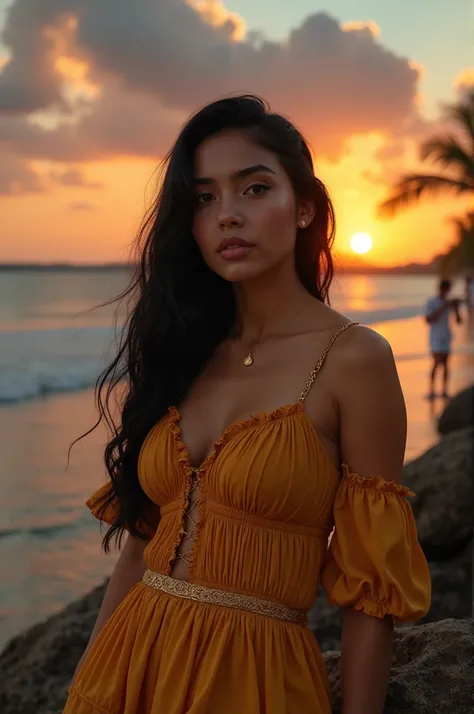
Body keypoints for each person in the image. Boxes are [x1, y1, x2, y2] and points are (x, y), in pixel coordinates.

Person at [64, 95, 430, 714]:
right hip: (126, 670)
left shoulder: (354, 359)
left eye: (254, 189)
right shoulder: (183, 350)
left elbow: (372, 598)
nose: (228, 216)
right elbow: (138, 549)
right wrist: (86, 693)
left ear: (305, 207)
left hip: (253, 681)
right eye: (204, 198)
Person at [425, 278, 462, 399]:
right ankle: (431, 390)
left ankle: (444, 390)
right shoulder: (432, 302)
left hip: (446, 336)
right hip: (435, 337)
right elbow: (428, 319)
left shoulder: (448, 302)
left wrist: (456, 308)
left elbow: (459, 321)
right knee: (436, 363)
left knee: (446, 364)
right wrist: (443, 307)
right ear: (441, 289)